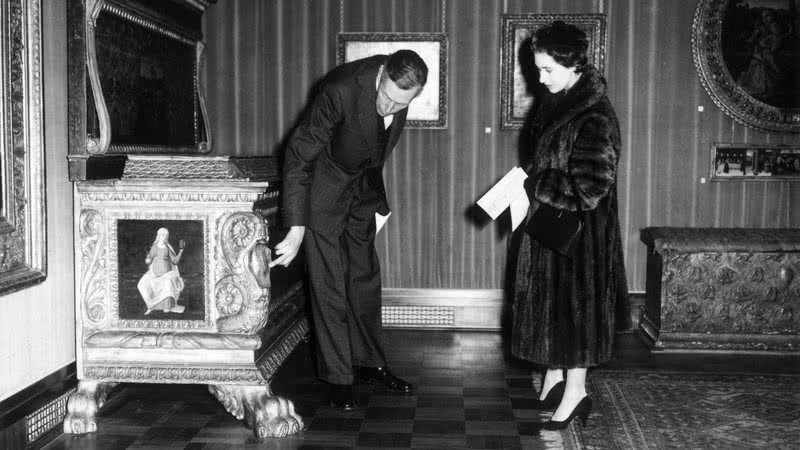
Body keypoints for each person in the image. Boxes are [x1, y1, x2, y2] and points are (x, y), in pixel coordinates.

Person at [270, 50, 428, 410]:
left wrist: (376, 203)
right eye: (386, 97)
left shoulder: (401, 92)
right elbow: (298, 154)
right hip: (323, 190)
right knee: (329, 284)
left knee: (365, 278)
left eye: (400, 103)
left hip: (362, 191)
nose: (390, 107)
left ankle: (370, 363)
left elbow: (375, 146)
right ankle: (338, 378)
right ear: (382, 74)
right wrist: (296, 227)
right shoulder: (339, 89)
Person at [511, 21, 629, 430]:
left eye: (547, 70)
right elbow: (549, 159)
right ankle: (556, 375)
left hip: (581, 238)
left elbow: (591, 189)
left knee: (575, 314)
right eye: (537, 69)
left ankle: (576, 391)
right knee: (555, 311)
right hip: (555, 228)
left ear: (574, 64)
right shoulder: (559, 101)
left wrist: (536, 182)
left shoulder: (595, 116)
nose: (539, 80)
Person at [138, 227, 186, 315]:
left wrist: (181, 251)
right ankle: (151, 306)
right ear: (159, 235)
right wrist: (148, 259)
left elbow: (175, 261)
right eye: (163, 234)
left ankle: (166, 307)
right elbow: (149, 259)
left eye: (166, 235)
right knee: (142, 284)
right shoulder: (155, 247)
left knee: (168, 283)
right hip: (154, 275)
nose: (165, 237)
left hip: (166, 275)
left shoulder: (168, 248)